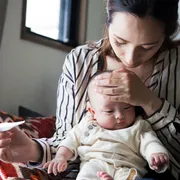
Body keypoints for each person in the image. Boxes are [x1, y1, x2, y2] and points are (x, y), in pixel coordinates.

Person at [0, 0, 180, 179]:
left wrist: (149, 102)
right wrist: (32, 150)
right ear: (108, 17)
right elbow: (69, 143)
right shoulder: (80, 62)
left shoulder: (176, 66)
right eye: (120, 41)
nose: (131, 59)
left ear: (167, 33)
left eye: (148, 47)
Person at [43, 71, 169, 180]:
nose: (120, 115)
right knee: (87, 175)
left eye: (127, 107)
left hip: (126, 167)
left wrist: (156, 155)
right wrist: (60, 157)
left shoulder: (139, 126)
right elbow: (70, 141)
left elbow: (150, 143)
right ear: (93, 112)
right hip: (95, 165)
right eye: (109, 111)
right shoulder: (87, 124)